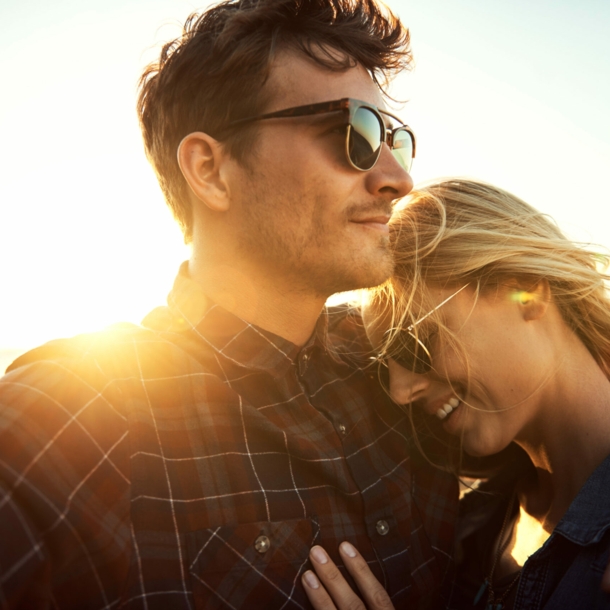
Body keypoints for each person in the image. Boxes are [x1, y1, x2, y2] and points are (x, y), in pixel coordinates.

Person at [0, 1, 459, 608]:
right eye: (356, 133)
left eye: (395, 137)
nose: (397, 178)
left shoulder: (406, 365)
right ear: (211, 170)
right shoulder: (71, 417)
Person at [301, 178, 610, 609]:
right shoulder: (475, 527)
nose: (400, 390)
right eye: (387, 364)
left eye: (416, 343)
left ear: (526, 289)